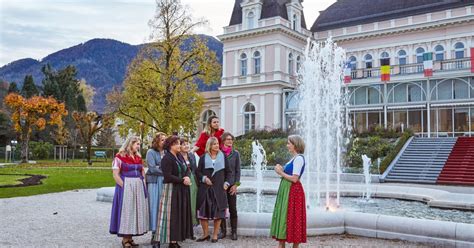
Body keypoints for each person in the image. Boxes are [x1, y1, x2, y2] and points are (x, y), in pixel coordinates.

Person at [109, 136, 149, 248]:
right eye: (137, 144)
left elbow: (142, 171)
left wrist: (143, 183)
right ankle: (125, 239)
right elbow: (115, 175)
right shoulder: (119, 157)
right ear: (130, 144)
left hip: (138, 186)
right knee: (127, 212)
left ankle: (130, 237)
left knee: (135, 211)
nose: (138, 146)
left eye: (139, 144)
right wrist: (124, 186)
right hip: (126, 186)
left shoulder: (138, 157)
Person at [154, 136, 193, 248]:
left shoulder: (179, 156)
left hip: (180, 189)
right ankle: (158, 240)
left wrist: (186, 177)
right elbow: (167, 176)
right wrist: (182, 180)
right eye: (177, 143)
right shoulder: (167, 158)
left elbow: (186, 169)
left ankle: (174, 240)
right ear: (171, 145)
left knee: (178, 215)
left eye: (179, 143)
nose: (179, 145)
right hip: (170, 190)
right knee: (168, 215)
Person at [270, 135, 307, 248]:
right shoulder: (294, 158)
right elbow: (290, 174)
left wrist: (280, 172)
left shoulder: (299, 158)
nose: (287, 145)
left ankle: (292, 245)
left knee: (291, 216)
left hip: (292, 191)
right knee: (285, 216)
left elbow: (294, 179)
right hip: (287, 189)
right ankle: (282, 244)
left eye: (289, 143)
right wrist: (281, 169)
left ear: (295, 145)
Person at [195, 137, 231, 243]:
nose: (217, 145)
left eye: (217, 143)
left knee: (219, 213)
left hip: (219, 189)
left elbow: (229, 172)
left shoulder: (223, 156)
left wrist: (227, 183)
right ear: (209, 146)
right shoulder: (202, 158)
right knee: (202, 213)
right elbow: (198, 172)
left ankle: (215, 235)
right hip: (205, 189)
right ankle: (205, 234)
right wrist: (204, 178)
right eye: (214, 144)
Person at [218, 132, 241, 240]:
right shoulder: (218, 153)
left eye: (231, 139)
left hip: (231, 185)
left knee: (233, 208)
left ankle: (234, 232)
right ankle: (223, 231)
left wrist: (236, 185)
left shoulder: (236, 153)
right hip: (221, 185)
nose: (230, 141)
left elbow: (238, 171)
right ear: (223, 141)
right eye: (228, 139)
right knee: (221, 208)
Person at [146, 132, 166, 245]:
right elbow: (152, 168)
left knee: (163, 207)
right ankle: (154, 234)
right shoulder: (151, 152)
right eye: (162, 140)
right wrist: (166, 172)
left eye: (165, 139)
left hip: (164, 182)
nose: (164, 141)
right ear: (157, 141)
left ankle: (162, 233)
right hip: (154, 182)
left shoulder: (167, 152)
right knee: (155, 206)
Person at [180, 137, 199, 227]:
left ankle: (192, 222)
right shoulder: (177, 156)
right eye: (184, 144)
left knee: (192, 201)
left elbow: (195, 169)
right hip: (181, 180)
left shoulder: (191, 155)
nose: (186, 146)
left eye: (187, 144)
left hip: (192, 180)